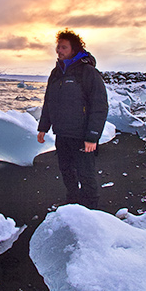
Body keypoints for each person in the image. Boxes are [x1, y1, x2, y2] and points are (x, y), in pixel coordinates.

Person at [36, 29, 108, 209]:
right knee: (67, 171)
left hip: (82, 134)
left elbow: (99, 106)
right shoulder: (56, 73)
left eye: (63, 47)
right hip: (62, 133)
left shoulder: (87, 72)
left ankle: (91, 209)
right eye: (58, 47)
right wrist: (43, 126)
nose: (59, 51)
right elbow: (49, 101)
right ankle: (73, 202)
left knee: (86, 174)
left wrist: (92, 137)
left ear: (74, 49)